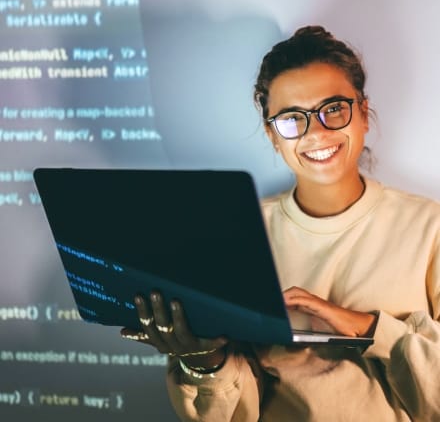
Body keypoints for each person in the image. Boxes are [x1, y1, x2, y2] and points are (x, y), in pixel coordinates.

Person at [120, 26, 440, 421]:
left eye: (334, 108)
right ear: (273, 135)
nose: (317, 132)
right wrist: (204, 360)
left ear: (363, 114)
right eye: (292, 118)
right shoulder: (237, 233)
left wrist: (364, 327)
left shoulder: (430, 228)